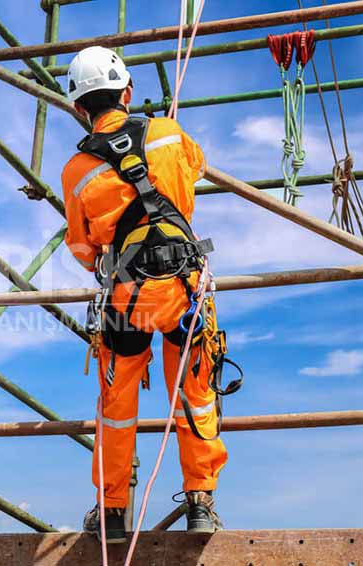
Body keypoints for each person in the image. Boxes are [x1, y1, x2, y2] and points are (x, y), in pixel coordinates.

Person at [61, 46, 228, 543]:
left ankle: (112, 513)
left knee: (117, 406)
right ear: (127, 92)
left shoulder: (76, 171)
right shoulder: (168, 134)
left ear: (78, 107)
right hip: (186, 290)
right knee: (195, 395)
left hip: (127, 298)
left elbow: (82, 248)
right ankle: (200, 502)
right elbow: (195, 169)